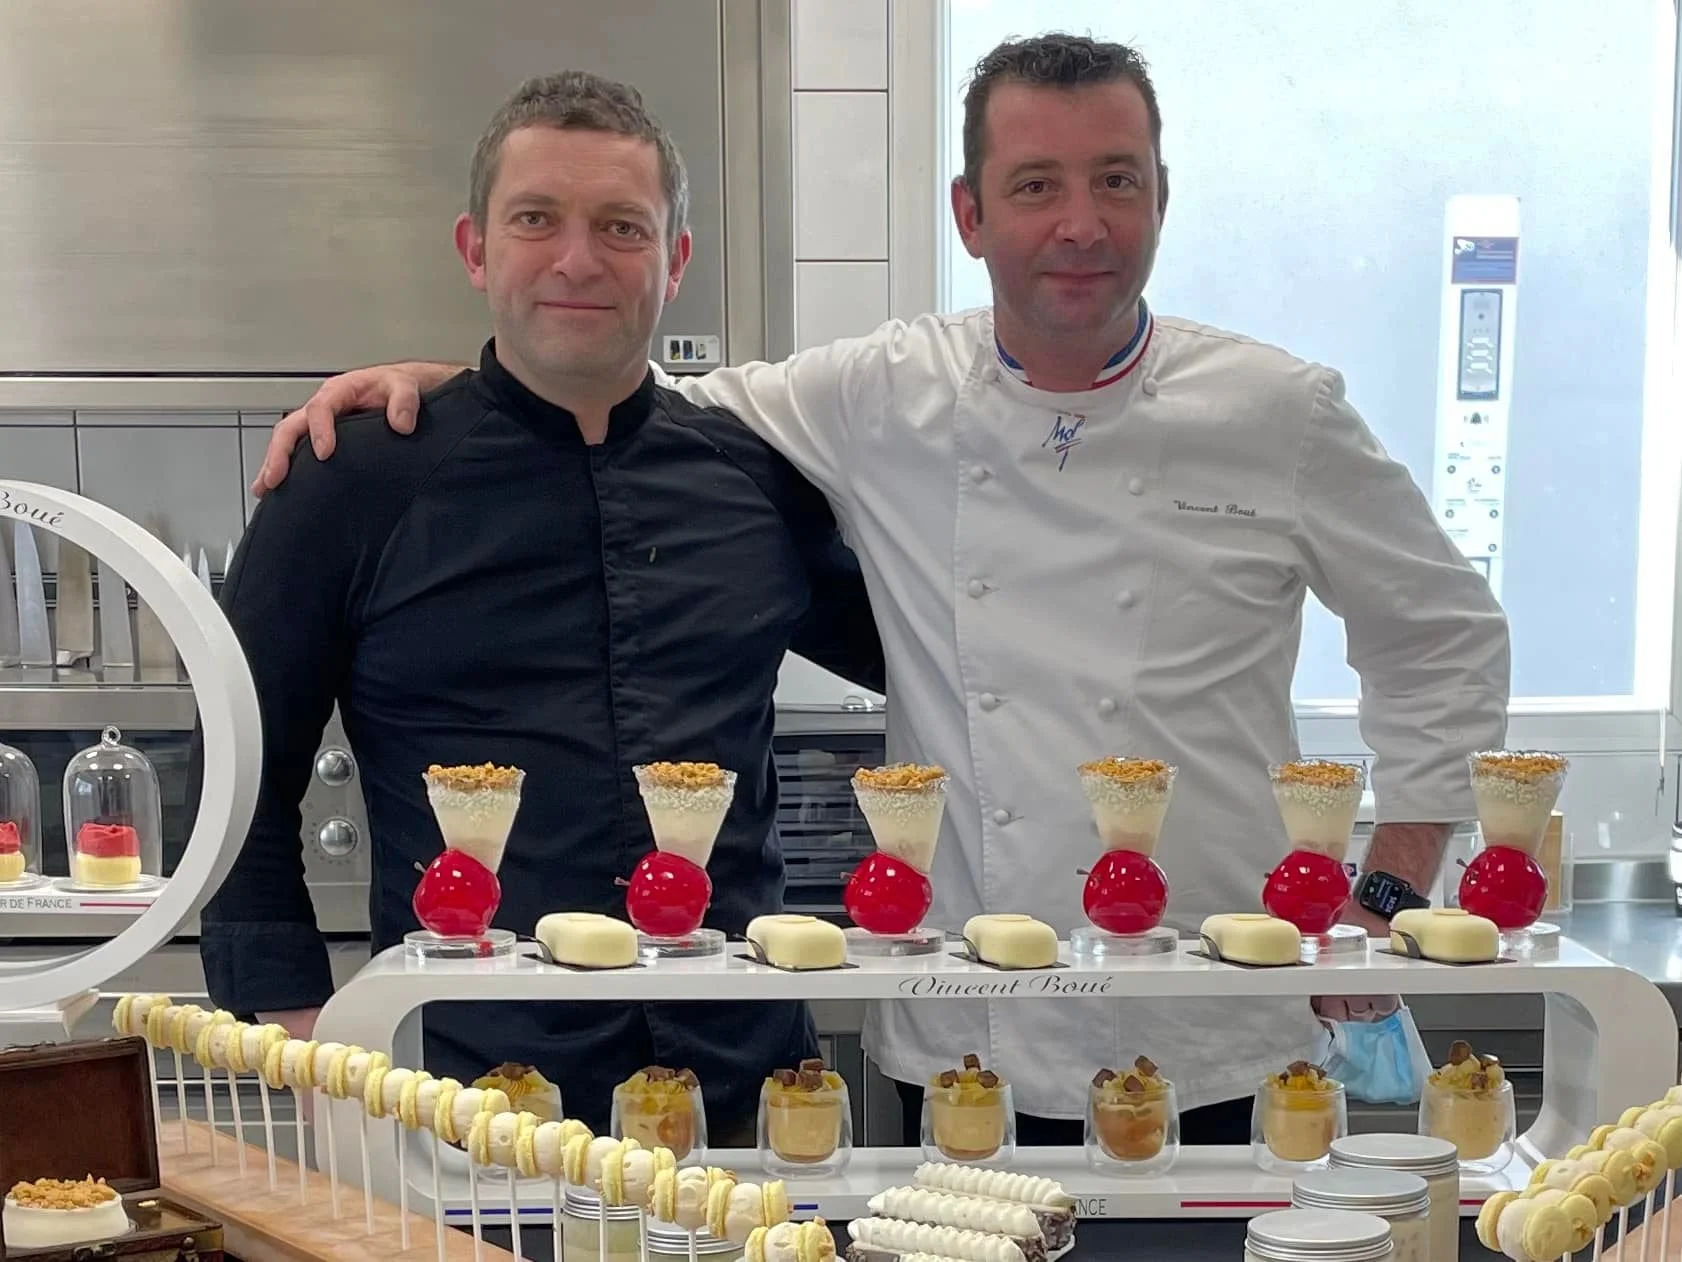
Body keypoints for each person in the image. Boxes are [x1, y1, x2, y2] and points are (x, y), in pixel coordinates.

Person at [254, 35, 1509, 1143]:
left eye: (1115, 180)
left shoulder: (1275, 409)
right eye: (1035, 184)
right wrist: (467, 389)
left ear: (1160, 201)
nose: (1078, 224)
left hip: (1212, 1008)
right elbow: (596, 396)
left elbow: (1442, 632)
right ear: (969, 215)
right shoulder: (879, 392)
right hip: (935, 1029)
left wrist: (1386, 884)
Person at [198, 70, 884, 1142]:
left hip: (743, 1091)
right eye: (535, 220)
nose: (577, 259)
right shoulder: (351, 483)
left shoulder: (757, 483)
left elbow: (931, 654)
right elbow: (241, 766)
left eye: (621, 226)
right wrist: (292, 1018)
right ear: (475, 249)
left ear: (675, 260)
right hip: (461, 1096)